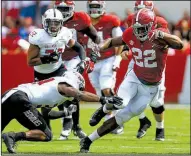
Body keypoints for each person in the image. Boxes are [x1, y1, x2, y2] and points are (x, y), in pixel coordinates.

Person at [80, 8, 183, 153]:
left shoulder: (160, 37)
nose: (139, 32)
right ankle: (103, 110)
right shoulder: (130, 33)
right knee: (120, 103)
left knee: (122, 118)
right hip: (134, 78)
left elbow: (179, 45)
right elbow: (111, 42)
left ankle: (88, 139)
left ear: (152, 26)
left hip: (151, 88)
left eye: (143, 28)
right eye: (137, 28)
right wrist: (97, 51)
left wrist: (163, 35)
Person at [2, 70, 123, 154]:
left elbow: (46, 114)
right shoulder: (64, 85)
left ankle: (11, 137)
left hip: (11, 96)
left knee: (44, 132)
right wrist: (103, 99)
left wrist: (65, 113)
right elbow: (79, 94)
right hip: (20, 98)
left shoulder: (55, 90)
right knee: (46, 135)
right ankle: (13, 136)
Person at [27, 8, 86, 134]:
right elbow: (30, 61)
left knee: (74, 94)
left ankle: (76, 126)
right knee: (45, 109)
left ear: (61, 23)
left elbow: (79, 48)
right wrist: (46, 59)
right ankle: (49, 126)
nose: (53, 26)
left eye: (56, 23)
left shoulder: (64, 33)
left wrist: (83, 60)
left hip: (59, 69)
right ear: (44, 22)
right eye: (50, 23)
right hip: (41, 74)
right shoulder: (38, 36)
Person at [122, 0, 169, 140]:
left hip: (154, 63)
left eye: (143, 9)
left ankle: (160, 127)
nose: (139, 13)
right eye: (138, 9)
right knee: (128, 93)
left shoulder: (161, 21)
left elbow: (166, 42)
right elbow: (128, 37)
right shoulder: (131, 19)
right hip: (137, 59)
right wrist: (125, 48)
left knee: (156, 102)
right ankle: (143, 121)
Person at [54, 0, 101, 140]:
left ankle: (74, 125)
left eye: (65, 9)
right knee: (58, 91)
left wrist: (92, 57)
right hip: (57, 58)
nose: (62, 12)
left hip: (75, 57)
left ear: (72, 8)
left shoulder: (81, 18)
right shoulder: (51, 17)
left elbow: (95, 37)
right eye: (60, 9)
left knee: (72, 89)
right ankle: (68, 121)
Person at [84, 0, 124, 134]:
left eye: (97, 6)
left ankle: (118, 120)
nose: (94, 10)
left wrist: (118, 58)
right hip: (92, 60)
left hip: (108, 58)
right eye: (92, 7)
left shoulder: (111, 20)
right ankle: (109, 118)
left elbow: (119, 40)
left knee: (106, 89)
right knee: (99, 92)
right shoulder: (83, 21)